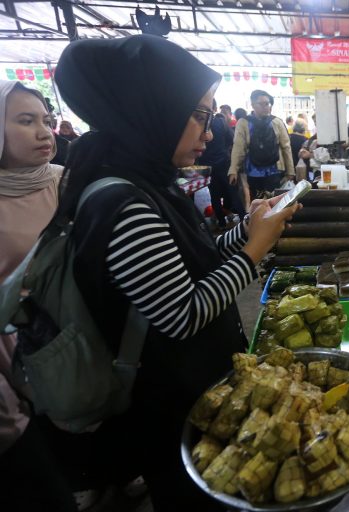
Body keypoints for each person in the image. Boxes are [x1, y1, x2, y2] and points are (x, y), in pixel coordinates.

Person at [52, 35, 299, 510]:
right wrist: (253, 252)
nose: (209, 132)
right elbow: (183, 313)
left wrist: (249, 228)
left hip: (192, 391)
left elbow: (194, 259)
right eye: (200, 116)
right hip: (170, 405)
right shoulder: (123, 202)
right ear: (152, 109)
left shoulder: (147, 180)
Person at [0, 80, 79, 512]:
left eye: (46, 121)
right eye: (26, 121)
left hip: (75, 328)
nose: (44, 132)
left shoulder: (65, 182)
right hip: (14, 347)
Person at [228, 89, 294, 202]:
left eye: (267, 103)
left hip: (274, 170)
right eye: (261, 104)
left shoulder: (277, 122)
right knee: (257, 202)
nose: (265, 107)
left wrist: (290, 171)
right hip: (253, 171)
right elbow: (238, 148)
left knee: (274, 202)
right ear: (253, 105)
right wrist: (233, 170)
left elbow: (286, 147)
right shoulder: (243, 123)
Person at [199, 99, 243, 228]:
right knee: (233, 192)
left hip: (207, 165)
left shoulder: (199, 123)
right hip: (224, 163)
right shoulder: (220, 122)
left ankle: (221, 222)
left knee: (215, 193)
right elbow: (232, 139)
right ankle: (242, 218)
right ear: (215, 108)